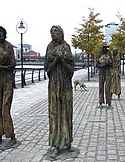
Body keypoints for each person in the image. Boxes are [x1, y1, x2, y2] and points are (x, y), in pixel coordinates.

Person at [44, 25, 74, 159]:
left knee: (67, 111)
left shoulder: (66, 46)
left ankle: (67, 141)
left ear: (61, 33)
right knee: (55, 112)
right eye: (52, 31)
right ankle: (56, 145)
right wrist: (57, 59)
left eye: (56, 31)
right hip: (54, 84)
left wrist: (62, 58)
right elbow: (47, 68)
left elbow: (71, 68)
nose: (53, 33)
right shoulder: (49, 47)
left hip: (65, 84)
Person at [97, 43, 113, 108]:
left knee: (108, 88)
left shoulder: (109, 53)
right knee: (101, 87)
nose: (105, 48)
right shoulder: (99, 53)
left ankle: (109, 102)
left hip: (107, 71)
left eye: (106, 47)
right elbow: (97, 63)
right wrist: (101, 64)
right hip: (101, 72)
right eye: (104, 47)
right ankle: (101, 102)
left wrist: (107, 62)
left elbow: (112, 63)